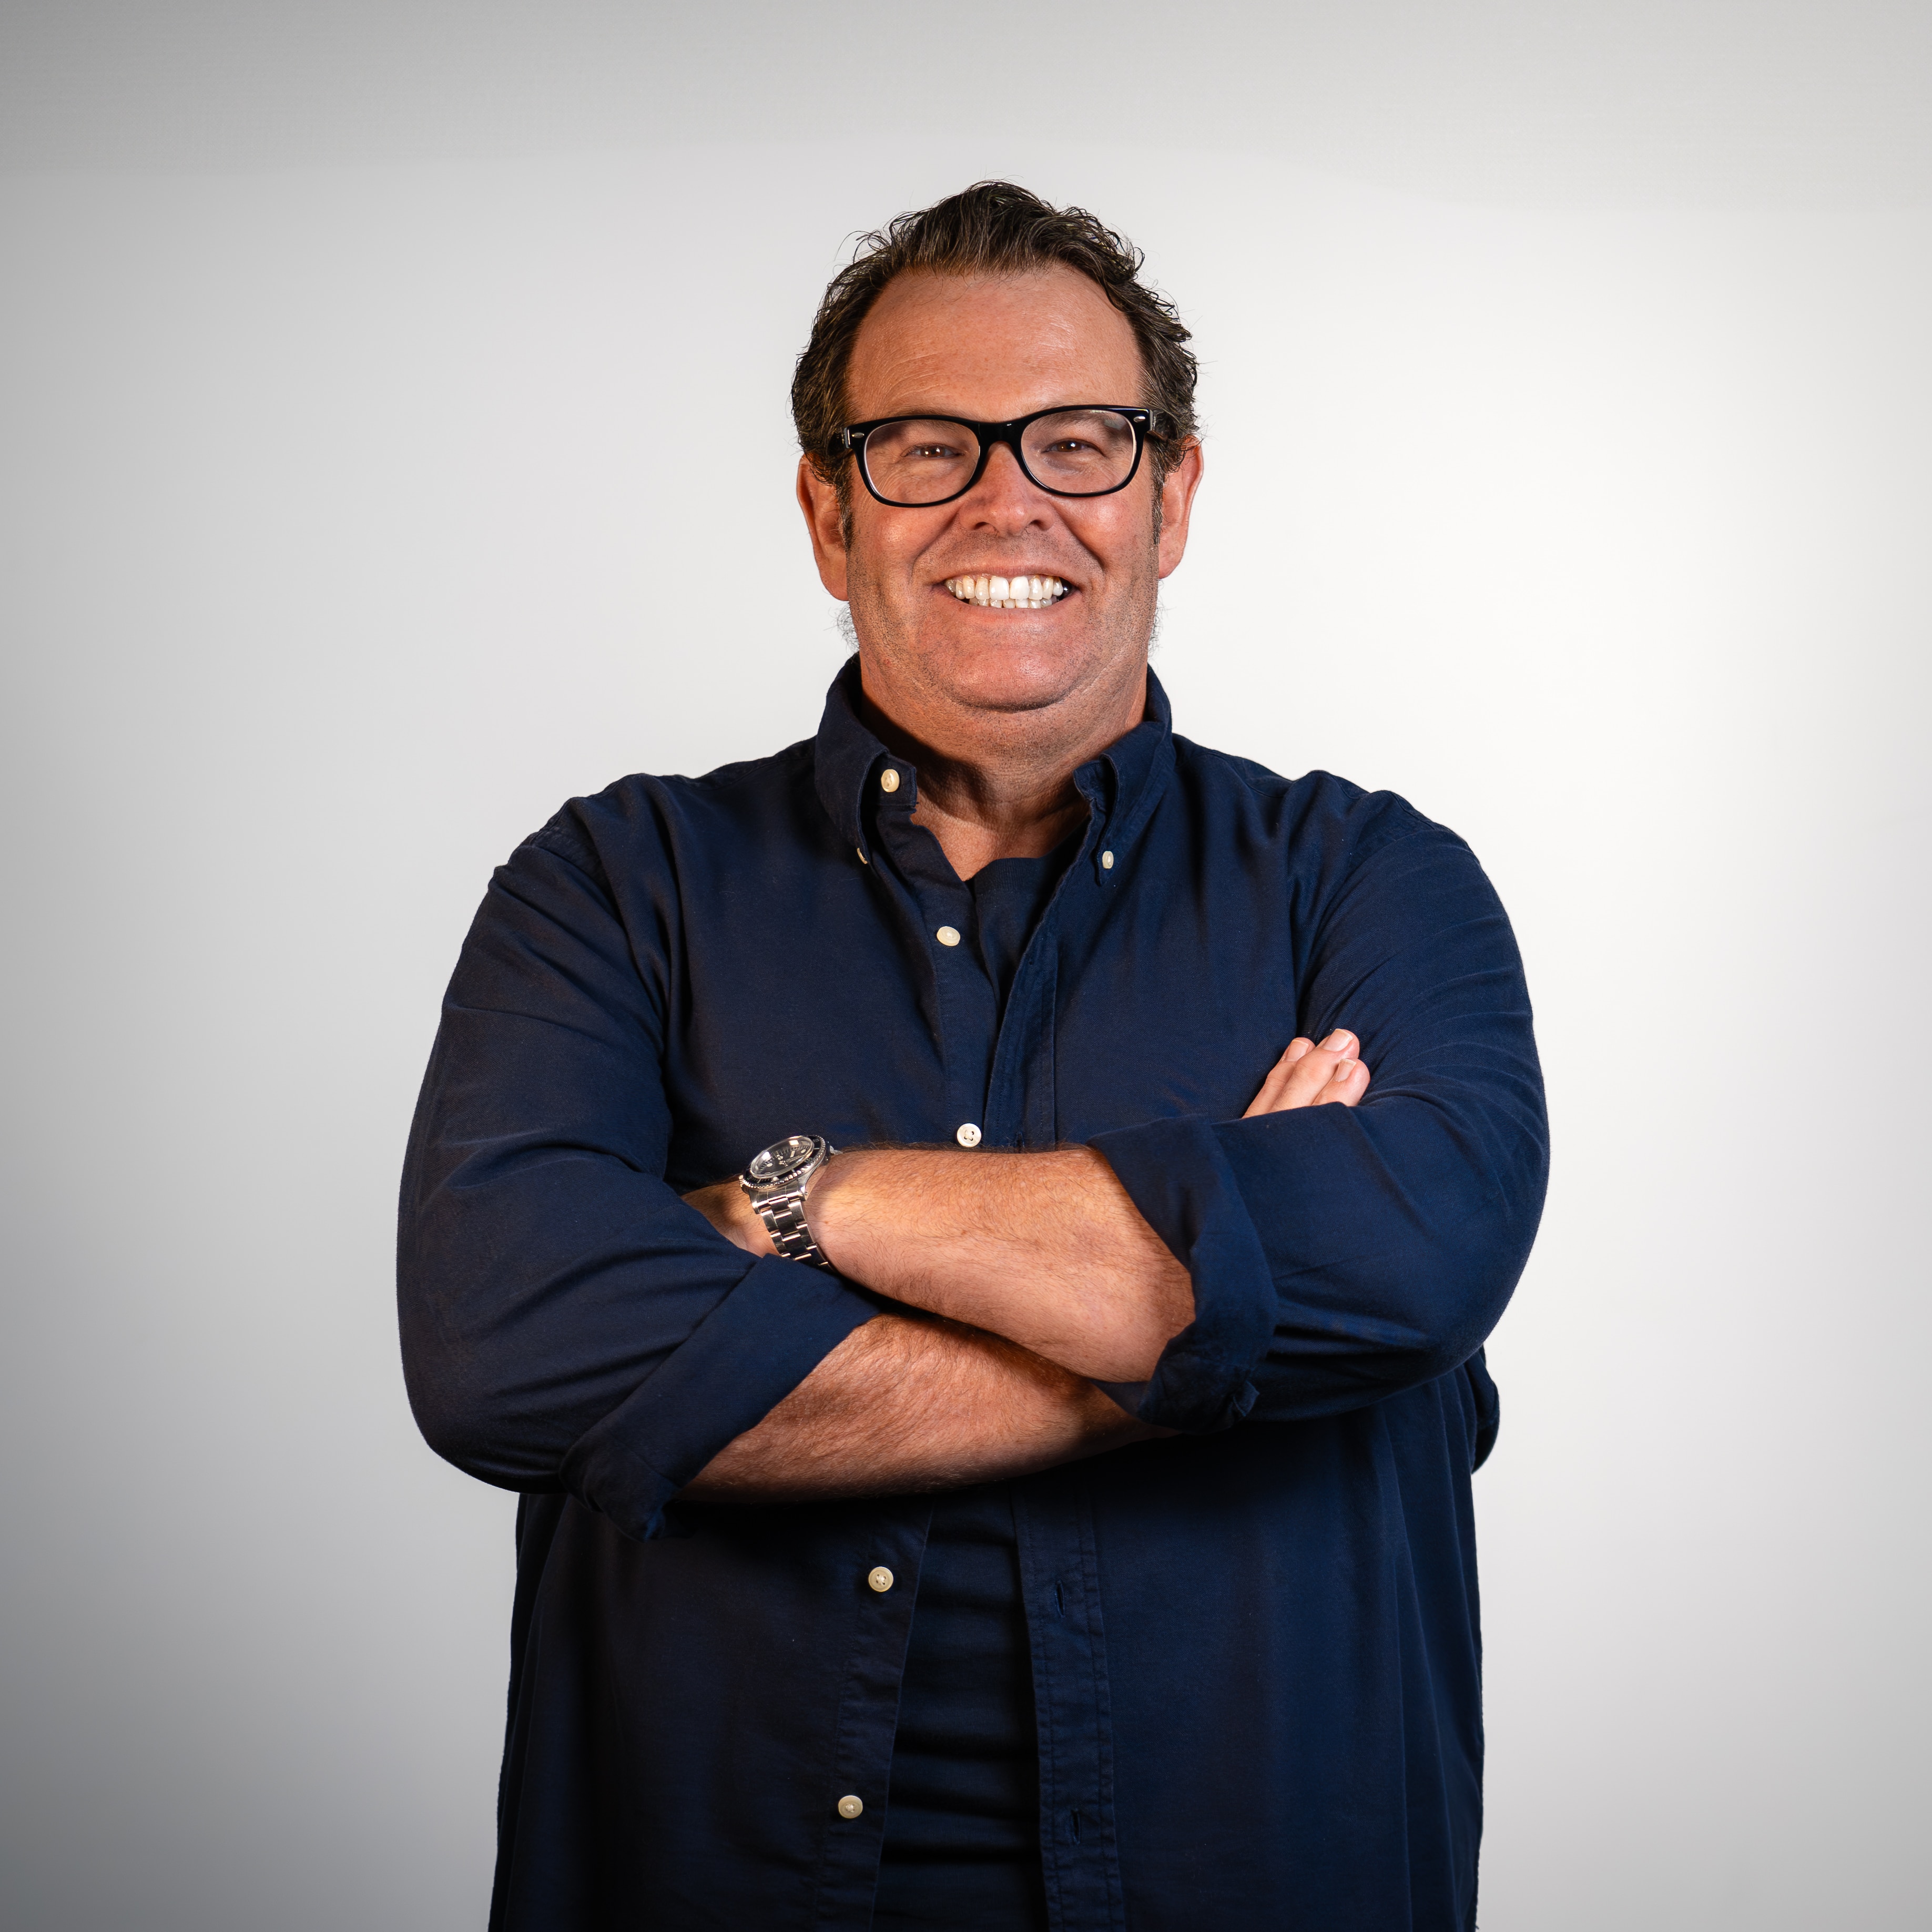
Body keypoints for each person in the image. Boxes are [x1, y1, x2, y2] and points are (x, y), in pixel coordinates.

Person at [398, 180, 1548, 1932]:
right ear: (828, 510)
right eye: (926, 445)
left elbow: (1409, 1258)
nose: (1008, 499)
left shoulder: (1368, 885)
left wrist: (809, 1202)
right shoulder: (615, 888)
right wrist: (1211, 1323)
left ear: (1170, 496)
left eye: (1079, 441)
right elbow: (510, 1347)